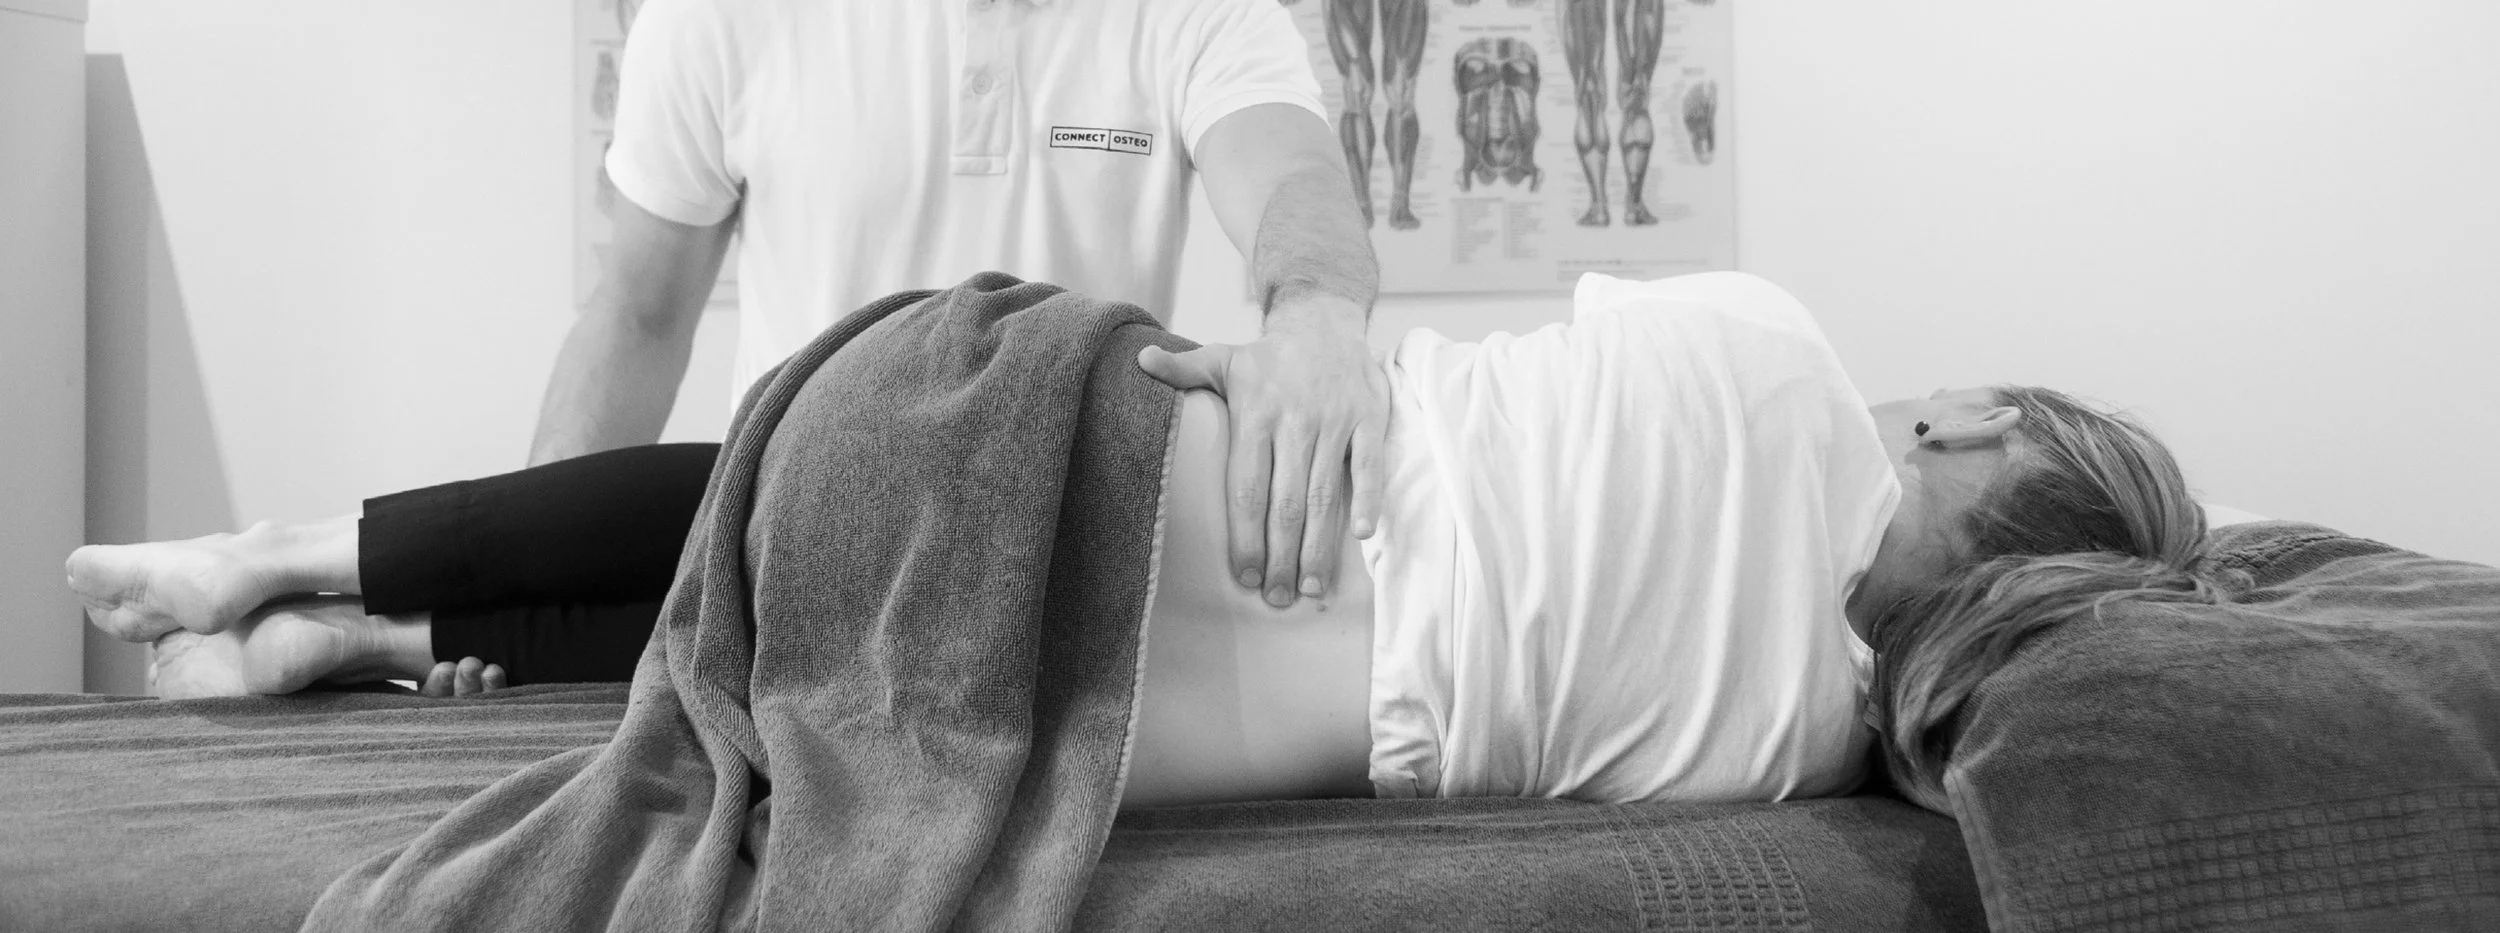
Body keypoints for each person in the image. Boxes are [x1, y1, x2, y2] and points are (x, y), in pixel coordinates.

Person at [67, 272, 2233, 810]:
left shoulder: (1774, 356)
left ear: (1967, 422)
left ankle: (286, 550)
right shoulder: (1813, 747)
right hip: (1125, 732)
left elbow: (1461, 383)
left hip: (1131, 481)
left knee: (761, 487)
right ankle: (316, 629)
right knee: (770, 636)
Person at [539, 0, 1390, 632]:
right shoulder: (719, 15)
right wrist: (518, 580)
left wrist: (1316, 316)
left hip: (1065, 563)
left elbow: (1290, 176)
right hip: (796, 567)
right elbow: (637, 320)